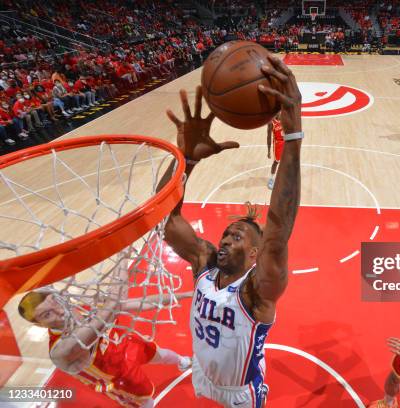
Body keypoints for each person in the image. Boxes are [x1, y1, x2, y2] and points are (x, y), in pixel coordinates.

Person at [158, 55, 302, 407]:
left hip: (241, 394)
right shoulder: (205, 264)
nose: (224, 238)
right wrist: (185, 159)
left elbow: (279, 228)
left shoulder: (258, 289)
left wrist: (294, 137)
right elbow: (163, 218)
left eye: (237, 237)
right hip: (201, 376)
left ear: (256, 253)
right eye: (226, 233)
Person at [17, 262, 192, 408]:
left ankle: (182, 361)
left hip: (127, 345)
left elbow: (142, 303)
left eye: (54, 301)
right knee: (146, 401)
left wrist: (185, 295)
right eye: (47, 314)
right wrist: (123, 252)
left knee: (160, 354)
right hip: (118, 377)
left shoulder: (85, 308)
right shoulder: (61, 351)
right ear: (39, 325)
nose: (59, 311)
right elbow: (106, 313)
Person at [267, 113, 284, 189]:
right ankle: (271, 179)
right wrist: (269, 150)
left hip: (286, 141)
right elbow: (269, 137)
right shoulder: (271, 123)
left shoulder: (285, 119)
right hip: (277, 143)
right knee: (276, 162)